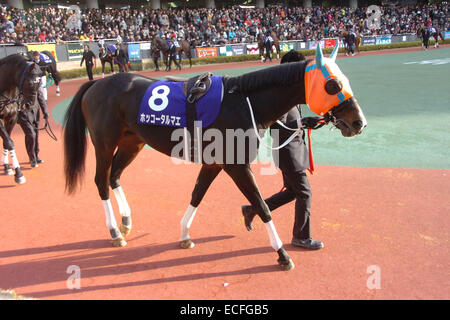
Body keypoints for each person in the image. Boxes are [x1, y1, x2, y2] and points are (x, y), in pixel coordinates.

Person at [241, 50, 324, 250]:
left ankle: (253, 209)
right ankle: (301, 237)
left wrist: (310, 122)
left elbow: (292, 122)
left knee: (292, 192)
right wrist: (304, 121)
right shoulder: (279, 93)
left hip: (293, 149)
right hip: (288, 152)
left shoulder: (289, 90)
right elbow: (279, 124)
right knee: (304, 193)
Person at [17, 82, 49, 168]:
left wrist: (45, 112)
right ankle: (32, 158)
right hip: (23, 113)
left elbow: (40, 96)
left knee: (36, 134)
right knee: (31, 134)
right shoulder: (18, 81)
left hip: (35, 113)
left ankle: (36, 155)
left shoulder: (35, 82)